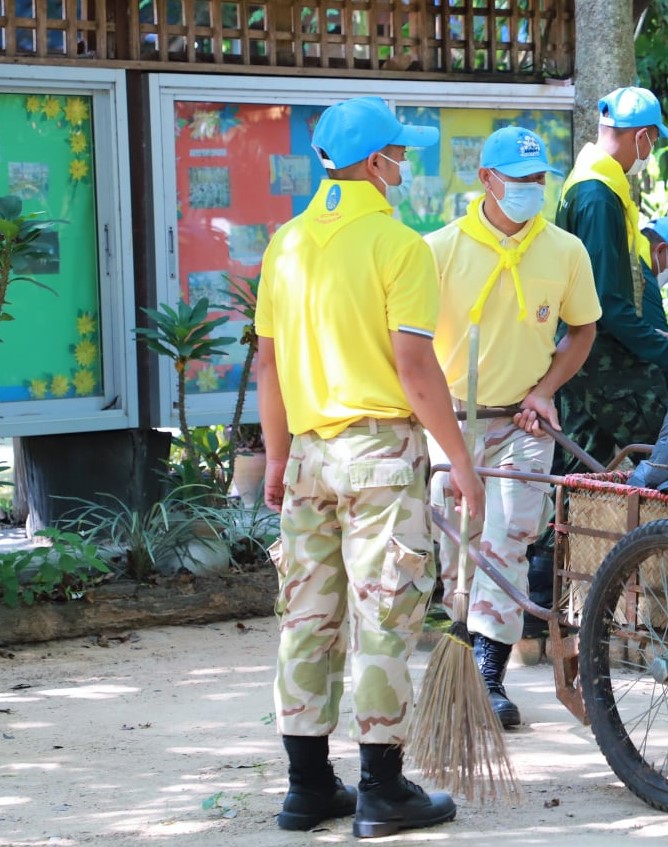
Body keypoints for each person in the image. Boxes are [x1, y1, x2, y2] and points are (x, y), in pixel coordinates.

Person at [255, 96, 485, 838]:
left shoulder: (284, 243)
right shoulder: (398, 245)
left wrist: (279, 456)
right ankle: (383, 792)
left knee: (307, 620)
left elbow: (267, 364)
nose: (404, 165)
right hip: (380, 456)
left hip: (311, 457)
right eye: (400, 152)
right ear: (375, 162)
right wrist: (462, 460)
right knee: (384, 617)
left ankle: (308, 788)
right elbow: (415, 370)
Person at [424, 126, 600, 728]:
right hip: (453, 422)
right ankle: (458, 654)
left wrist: (544, 390)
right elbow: (410, 346)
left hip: (526, 420)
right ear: (486, 180)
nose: (530, 191)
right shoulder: (439, 251)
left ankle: (489, 676)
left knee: (511, 539)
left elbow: (582, 331)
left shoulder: (565, 251)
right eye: (518, 181)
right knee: (458, 545)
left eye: (538, 180)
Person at [553, 86, 668, 472]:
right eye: (654, 140)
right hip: (603, 361)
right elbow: (606, 303)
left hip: (584, 356)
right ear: (642, 136)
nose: (651, 151)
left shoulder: (590, 179)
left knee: (580, 476)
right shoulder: (597, 195)